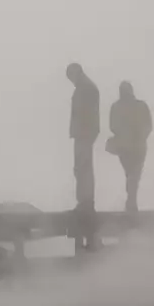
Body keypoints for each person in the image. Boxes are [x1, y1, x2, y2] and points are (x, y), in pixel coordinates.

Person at [66, 63, 101, 249]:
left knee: (83, 168)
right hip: (83, 134)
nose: (70, 80)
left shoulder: (86, 88)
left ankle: (85, 203)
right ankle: (84, 202)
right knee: (81, 169)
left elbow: (87, 114)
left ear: (76, 72)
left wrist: (87, 133)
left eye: (70, 76)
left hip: (84, 134)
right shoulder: (85, 87)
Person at [107, 80, 153, 213]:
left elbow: (148, 125)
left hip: (134, 146)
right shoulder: (138, 106)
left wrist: (134, 136)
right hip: (131, 146)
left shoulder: (120, 106)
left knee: (132, 175)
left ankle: (131, 201)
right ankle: (131, 201)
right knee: (133, 175)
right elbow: (113, 126)